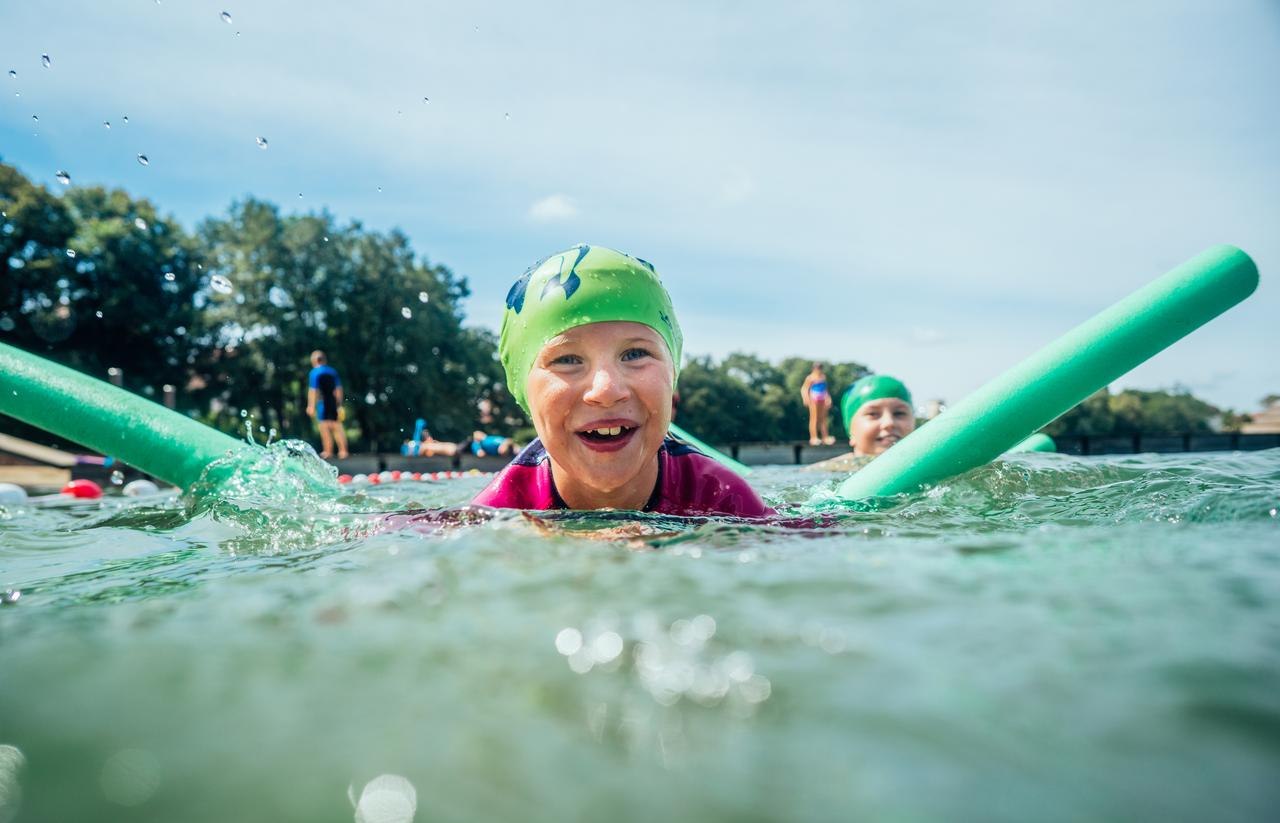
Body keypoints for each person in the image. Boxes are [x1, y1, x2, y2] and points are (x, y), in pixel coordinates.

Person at [471, 244, 772, 517]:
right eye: (567, 360)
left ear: (673, 374)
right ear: (522, 389)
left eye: (635, 354)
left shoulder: (723, 500)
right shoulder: (497, 516)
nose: (606, 390)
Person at [842, 374, 915, 456]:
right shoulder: (834, 468)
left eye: (899, 413)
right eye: (873, 414)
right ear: (851, 431)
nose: (889, 423)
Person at [306, 350, 349, 459]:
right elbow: (338, 389)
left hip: (322, 402)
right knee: (337, 426)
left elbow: (313, 390)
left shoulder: (314, 372)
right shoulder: (332, 371)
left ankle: (328, 451)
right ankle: (343, 451)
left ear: (315, 361)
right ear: (324, 360)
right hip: (334, 402)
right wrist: (339, 404)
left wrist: (311, 406)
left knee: (324, 427)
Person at [800, 362, 835, 446]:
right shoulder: (810, 378)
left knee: (823, 419)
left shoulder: (823, 377)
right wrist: (806, 398)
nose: (819, 370)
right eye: (817, 368)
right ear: (814, 368)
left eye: (820, 368)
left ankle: (825, 437)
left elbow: (825, 389)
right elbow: (804, 389)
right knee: (814, 418)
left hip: (822, 399)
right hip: (814, 399)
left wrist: (828, 398)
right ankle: (813, 438)